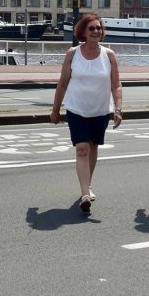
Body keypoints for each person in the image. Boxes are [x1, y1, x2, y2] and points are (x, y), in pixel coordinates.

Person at [50, 14, 123, 213]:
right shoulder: (72, 54)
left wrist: (118, 109)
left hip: (100, 111)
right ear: (83, 32)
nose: (96, 31)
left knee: (93, 147)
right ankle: (85, 193)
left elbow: (116, 85)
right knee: (82, 148)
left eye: (98, 28)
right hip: (77, 109)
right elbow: (63, 83)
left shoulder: (109, 55)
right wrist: (55, 109)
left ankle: (87, 185)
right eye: (91, 28)